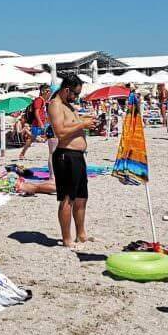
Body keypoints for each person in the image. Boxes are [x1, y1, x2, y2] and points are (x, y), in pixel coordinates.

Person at [48, 74, 97, 248]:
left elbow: (71, 125)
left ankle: (81, 234)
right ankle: (67, 238)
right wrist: (82, 125)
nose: (76, 97)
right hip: (65, 156)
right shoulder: (55, 105)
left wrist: (85, 120)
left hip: (77, 156)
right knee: (67, 198)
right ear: (66, 89)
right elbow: (60, 131)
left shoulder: (69, 106)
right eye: (75, 93)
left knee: (81, 197)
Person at [18, 85, 52, 160]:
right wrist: (40, 123)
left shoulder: (43, 100)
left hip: (43, 123)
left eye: (50, 91)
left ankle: (52, 153)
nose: (49, 92)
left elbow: (43, 112)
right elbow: (36, 112)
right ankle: (22, 153)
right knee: (31, 139)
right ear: (42, 91)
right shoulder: (39, 100)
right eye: (47, 91)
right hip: (37, 124)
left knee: (51, 136)